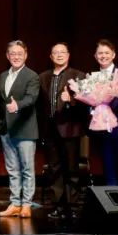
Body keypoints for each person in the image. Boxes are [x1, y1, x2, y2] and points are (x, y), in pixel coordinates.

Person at [38, 43, 86, 219]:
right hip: (50, 130)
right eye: (55, 52)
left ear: (68, 55)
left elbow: (85, 104)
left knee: (71, 170)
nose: (59, 55)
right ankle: (58, 205)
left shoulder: (78, 75)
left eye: (62, 52)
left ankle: (73, 206)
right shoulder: (43, 77)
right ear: (51, 56)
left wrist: (70, 100)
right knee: (54, 170)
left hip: (70, 128)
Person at [0, 41, 40, 218]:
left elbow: (31, 98)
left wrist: (18, 105)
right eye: (12, 54)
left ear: (26, 55)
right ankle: (15, 203)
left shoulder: (32, 76)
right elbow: (1, 100)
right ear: (8, 56)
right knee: (12, 169)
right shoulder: (3, 75)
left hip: (25, 128)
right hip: (7, 129)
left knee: (27, 169)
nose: (16, 57)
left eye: (19, 53)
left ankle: (26, 204)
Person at [90, 39, 118, 186]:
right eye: (100, 53)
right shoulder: (92, 76)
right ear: (95, 56)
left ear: (113, 55)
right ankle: (112, 197)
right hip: (102, 128)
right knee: (109, 167)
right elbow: (89, 99)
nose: (103, 56)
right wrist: (92, 107)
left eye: (107, 53)